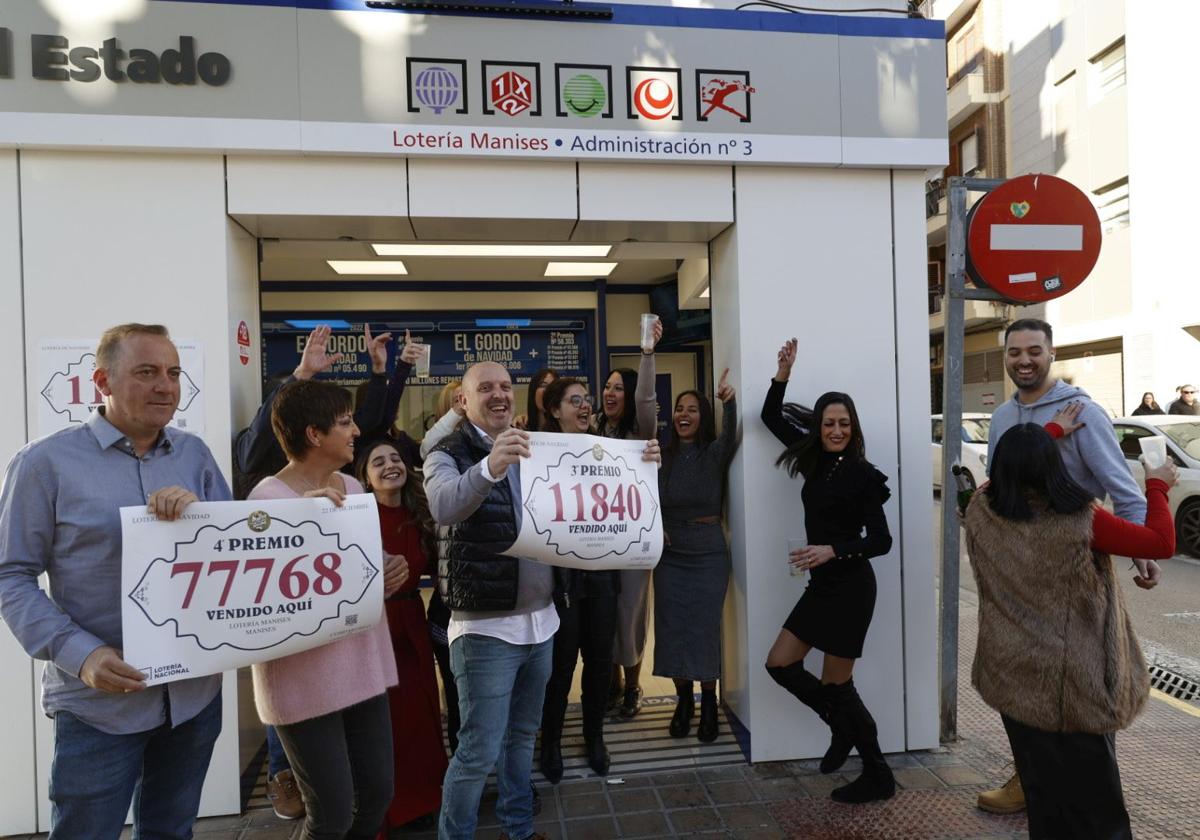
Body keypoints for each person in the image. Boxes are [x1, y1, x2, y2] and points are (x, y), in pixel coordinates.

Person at [0, 323, 230, 838]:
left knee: (172, 830)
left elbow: (230, 553)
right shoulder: (45, 463)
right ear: (101, 380)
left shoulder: (195, 455)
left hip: (192, 696)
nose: (166, 386)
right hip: (100, 704)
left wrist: (202, 519)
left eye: (173, 373)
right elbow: (10, 575)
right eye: (146, 372)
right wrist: (80, 655)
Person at [425, 361, 660, 840]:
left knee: (519, 741)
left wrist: (639, 463)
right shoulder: (445, 451)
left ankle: (518, 829)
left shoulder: (538, 448)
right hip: (485, 631)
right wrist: (490, 466)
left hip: (541, 625)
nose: (498, 395)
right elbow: (445, 505)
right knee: (477, 751)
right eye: (484, 388)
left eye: (505, 387)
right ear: (462, 402)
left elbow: (590, 492)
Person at [964, 423, 1178, 839]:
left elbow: (1003, 474)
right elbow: (1160, 542)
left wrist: (1049, 429)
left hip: (1013, 675)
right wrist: (1156, 486)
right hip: (1075, 685)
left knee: (1044, 800)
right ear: (1053, 466)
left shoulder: (979, 509)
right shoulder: (1081, 520)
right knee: (1100, 811)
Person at [978, 318, 1155, 815]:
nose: (1024, 360)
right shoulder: (1001, 419)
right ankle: (1028, 778)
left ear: (1052, 354)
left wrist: (1139, 549)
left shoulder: (1085, 413)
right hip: (1019, 580)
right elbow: (998, 486)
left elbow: (1123, 491)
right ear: (1007, 356)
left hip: (1076, 579)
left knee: (1084, 694)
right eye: (1015, 352)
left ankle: (1095, 805)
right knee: (1023, 685)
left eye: (1034, 350)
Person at [248, 379, 404, 840]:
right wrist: (298, 523)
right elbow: (260, 594)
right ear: (314, 435)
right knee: (330, 814)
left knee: (378, 793)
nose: (356, 430)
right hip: (303, 681)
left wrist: (385, 569)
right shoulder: (266, 500)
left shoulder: (355, 485)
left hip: (362, 666)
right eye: (345, 422)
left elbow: (357, 570)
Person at [760, 337, 895, 804]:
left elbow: (881, 541)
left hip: (851, 589)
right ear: (818, 427)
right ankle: (840, 726)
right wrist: (783, 373)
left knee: (839, 685)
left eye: (843, 424)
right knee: (780, 663)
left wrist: (832, 551)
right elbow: (770, 417)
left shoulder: (861, 473)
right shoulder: (814, 460)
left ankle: (877, 774)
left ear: (853, 428)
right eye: (828, 423)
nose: (835, 430)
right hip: (822, 588)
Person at [354, 438, 447, 832]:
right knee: (385, 722)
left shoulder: (421, 512)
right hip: (371, 627)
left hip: (412, 619)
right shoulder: (356, 516)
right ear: (365, 476)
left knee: (422, 713)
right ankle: (388, 806)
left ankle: (428, 796)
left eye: (395, 458)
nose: (390, 465)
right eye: (378, 461)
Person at [537, 377, 619, 782]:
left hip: (602, 575)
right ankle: (550, 740)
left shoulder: (609, 451)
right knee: (561, 665)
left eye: (587, 400)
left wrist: (647, 457)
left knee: (600, 662)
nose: (585, 406)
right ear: (554, 411)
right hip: (560, 580)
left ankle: (594, 736)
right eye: (575, 401)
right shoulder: (539, 452)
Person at [654, 372, 738, 743]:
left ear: (703, 415)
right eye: (678, 409)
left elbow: (732, 430)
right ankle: (683, 701)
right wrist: (656, 527)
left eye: (692, 409)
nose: (683, 415)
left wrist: (728, 401)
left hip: (707, 551)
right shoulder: (662, 454)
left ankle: (708, 704)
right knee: (672, 628)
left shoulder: (715, 452)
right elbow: (645, 499)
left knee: (704, 630)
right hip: (670, 553)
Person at [597, 319, 661, 719]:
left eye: (618, 387)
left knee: (630, 614)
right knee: (604, 616)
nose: (609, 393)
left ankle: (634, 686)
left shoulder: (641, 431)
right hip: (597, 542)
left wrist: (647, 354)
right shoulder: (595, 430)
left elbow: (646, 399)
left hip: (633, 542)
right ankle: (613, 685)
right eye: (606, 386)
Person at [514, 367, 558, 432]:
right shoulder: (521, 426)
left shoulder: (566, 428)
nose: (547, 390)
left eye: (552, 386)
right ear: (533, 391)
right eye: (543, 385)